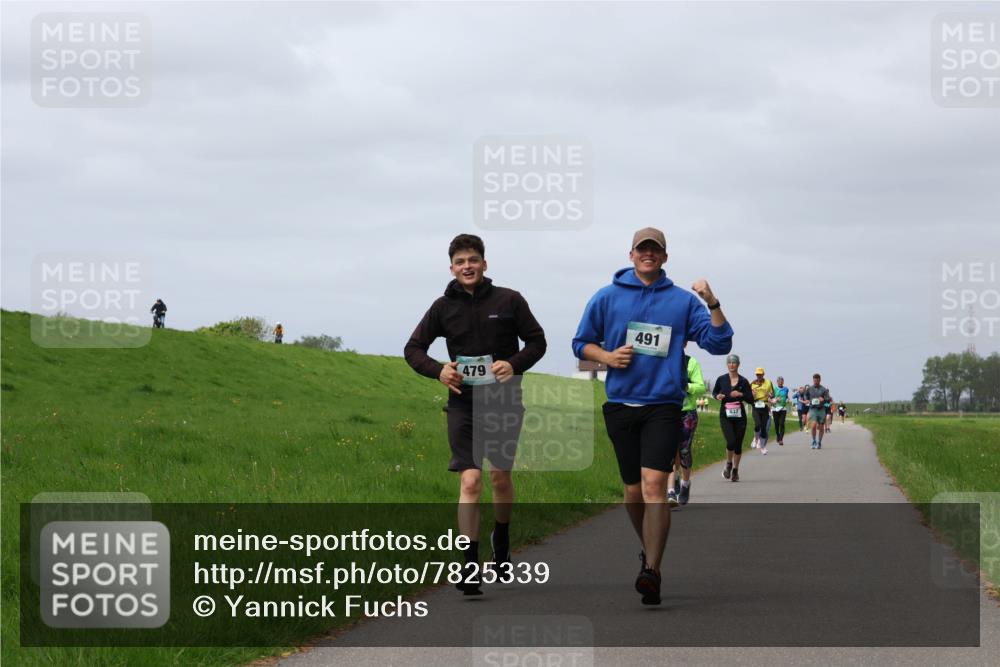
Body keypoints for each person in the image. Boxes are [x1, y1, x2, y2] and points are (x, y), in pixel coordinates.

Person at [572, 227, 732, 606]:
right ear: (631, 255)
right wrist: (607, 357)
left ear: (664, 257)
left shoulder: (681, 301)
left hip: (663, 405)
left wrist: (712, 302)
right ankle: (649, 547)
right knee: (632, 493)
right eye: (642, 250)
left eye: (655, 250)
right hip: (621, 405)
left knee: (655, 487)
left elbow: (719, 342)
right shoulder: (607, 297)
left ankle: (652, 571)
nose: (648, 255)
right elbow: (581, 343)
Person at [405, 234, 546, 596]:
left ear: (484, 264)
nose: (467, 266)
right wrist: (439, 371)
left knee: (499, 478)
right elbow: (413, 348)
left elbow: (537, 342)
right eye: (460, 261)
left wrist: (512, 365)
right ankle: (468, 564)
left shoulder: (510, 300)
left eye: (473, 260)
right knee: (470, 482)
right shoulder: (442, 306)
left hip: (503, 403)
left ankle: (501, 536)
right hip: (463, 404)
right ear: (451, 268)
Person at [667, 351, 706, 507]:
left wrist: (687, 386)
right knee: (668, 451)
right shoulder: (663, 360)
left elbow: (701, 387)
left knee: (683, 451)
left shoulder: (691, 362)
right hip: (666, 411)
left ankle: (685, 483)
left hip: (686, 413)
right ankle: (670, 491)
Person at [713, 354, 754, 481]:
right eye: (729, 362)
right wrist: (717, 396)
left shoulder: (743, 381)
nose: (731, 364)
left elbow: (751, 399)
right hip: (725, 414)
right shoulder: (721, 379)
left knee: (738, 444)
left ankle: (735, 470)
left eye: (734, 362)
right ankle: (728, 463)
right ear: (727, 364)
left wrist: (740, 394)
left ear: (738, 364)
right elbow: (715, 392)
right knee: (730, 441)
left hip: (740, 415)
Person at [803, 374, 832, 449]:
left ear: (820, 380)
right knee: (813, 425)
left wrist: (824, 399)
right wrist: (806, 400)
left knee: (821, 427)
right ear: (813, 380)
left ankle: (819, 442)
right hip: (813, 409)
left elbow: (828, 398)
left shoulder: (824, 389)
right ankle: (813, 441)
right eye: (814, 380)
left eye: (817, 380)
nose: (815, 382)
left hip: (821, 409)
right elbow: (805, 395)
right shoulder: (809, 389)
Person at [749, 368, 774, 454]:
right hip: (756, 406)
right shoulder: (752, 384)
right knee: (757, 424)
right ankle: (755, 439)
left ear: (763, 374)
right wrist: (751, 394)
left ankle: (762, 447)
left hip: (765, 407)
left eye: (760, 374)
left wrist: (770, 395)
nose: (758, 376)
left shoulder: (768, 382)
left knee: (763, 428)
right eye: (757, 374)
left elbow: (772, 394)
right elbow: (747, 396)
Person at [771, 376, 790, 446]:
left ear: (783, 382)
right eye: (779, 381)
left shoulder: (786, 389)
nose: (781, 382)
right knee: (776, 424)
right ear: (777, 382)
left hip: (783, 408)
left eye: (782, 381)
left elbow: (786, 396)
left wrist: (787, 399)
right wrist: (775, 400)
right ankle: (778, 436)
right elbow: (770, 398)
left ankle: (781, 439)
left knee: (782, 423)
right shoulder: (774, 389)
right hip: (775, 408)